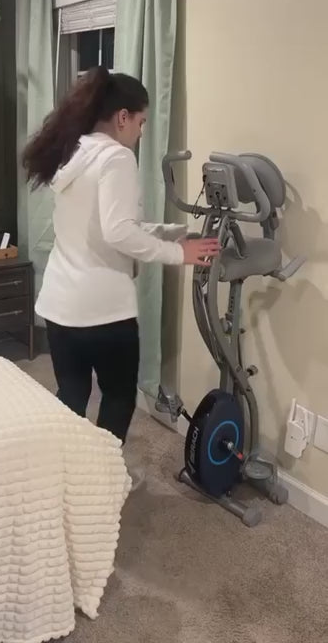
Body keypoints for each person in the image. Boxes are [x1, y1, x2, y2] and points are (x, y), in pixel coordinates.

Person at [23, 66, 220, 452]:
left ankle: (67, 467)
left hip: (60, 307)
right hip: (103, 312)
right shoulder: (116, 157)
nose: (141, 132)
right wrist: (179, 253)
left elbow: (107, 226)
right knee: (118, 398)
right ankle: (105, 475)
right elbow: (118, 232)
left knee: (72, 395)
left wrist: (170, 232)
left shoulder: (74, 152)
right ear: (123, 117)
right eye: (141, 122)